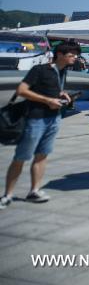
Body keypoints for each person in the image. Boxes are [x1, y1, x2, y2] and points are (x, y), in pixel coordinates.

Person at [1, 41, 78, 209]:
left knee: (42, 155)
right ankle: (7, 195)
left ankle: (34, 190)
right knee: (21, 157)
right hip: (36, 119)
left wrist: (61, 94)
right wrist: (48, 100)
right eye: (72, 55)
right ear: (60, 55)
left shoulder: (63, 71)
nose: (75, 58)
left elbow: (52, 90)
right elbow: (21, 90)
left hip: (54, 119)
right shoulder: (40, 70)